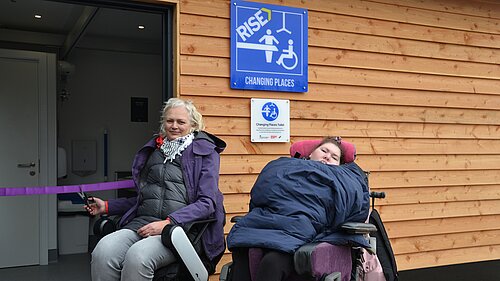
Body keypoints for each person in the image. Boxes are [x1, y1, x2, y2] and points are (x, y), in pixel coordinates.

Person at [86, 98, 226, 281]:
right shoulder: (154, 152)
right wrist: (106, 206)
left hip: (179, 230)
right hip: (142, 224)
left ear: (193, 124)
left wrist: (169, 222)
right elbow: (144, 199)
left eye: (181, 122)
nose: (174, 126)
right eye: (170, 121)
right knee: (103, 250)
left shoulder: (205, 153)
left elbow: (207, 203)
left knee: (138, 256)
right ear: (163, 123)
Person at [226, 137, 370, 281]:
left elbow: (354, 207)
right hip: (269, 218)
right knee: (244, 249)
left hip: (302, 226)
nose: (327, 156)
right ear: (310, 154)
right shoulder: (285, 166)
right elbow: (262, 192)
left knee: (272, 261)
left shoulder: (343, 179)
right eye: (324, 150)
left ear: (340, 165)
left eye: (334, 157)